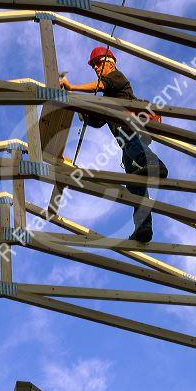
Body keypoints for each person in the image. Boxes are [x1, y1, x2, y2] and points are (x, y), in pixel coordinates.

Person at [60, 46, 168, 243]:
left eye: (98, 63)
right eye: (93, 65)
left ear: (110, 62)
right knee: (135, 184)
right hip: (124, 138)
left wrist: (72, 87)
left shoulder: (118, 78)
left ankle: (156, 165)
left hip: (130, 129)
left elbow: (99, 86)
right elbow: (98, 121)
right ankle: (144, 227)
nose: (95, 68)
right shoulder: (108, 98)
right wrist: (82, 112)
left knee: (132, 147)